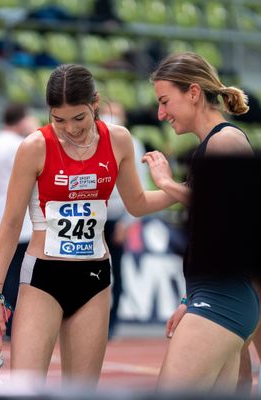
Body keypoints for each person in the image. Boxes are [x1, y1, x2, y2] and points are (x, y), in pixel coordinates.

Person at [0, 63, 179, 386]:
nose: (70, 128)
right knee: (25, 389)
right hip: (43, 278)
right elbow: (12, 223)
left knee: (81, 393)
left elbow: (136, 204)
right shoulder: (34, 147)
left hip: (94, 279)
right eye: (59, 120)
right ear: (49, 113)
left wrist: (176, 190)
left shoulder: (119, 140)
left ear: (95, 104)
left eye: (79, 118)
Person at [142, 52, 257, 392]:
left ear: (193, 92)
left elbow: (227, 211)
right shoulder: (213, 145)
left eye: (165, 102)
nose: (161, 114)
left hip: (223, 297)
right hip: (215, 294)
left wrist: (166, 183)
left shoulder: (225, 141)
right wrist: (187, 300)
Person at [0, 103, 39, 337]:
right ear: (22, 120)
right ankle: (11, 327)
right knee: (17, 279)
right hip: (20, 222)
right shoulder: (20, 146)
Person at [100, 101, 149, 339]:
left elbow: (140, 186)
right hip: (94, 217)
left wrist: (127, 223)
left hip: (118, 216)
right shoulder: (93, 140)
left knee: (116, 271)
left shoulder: (133, 143)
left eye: (118, 114)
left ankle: (112, 322)